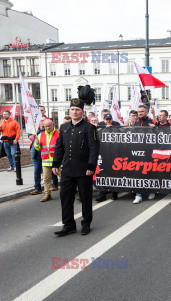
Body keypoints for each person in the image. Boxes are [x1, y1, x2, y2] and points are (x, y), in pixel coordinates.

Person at [52, 85, 100, 236]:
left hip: (84, 169)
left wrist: (91, 166)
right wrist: (55, 163)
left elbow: (94, 148)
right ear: (69, 111)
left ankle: (86, 223)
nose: (74, 112)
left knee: (85, 198)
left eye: (77, 110)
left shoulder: (89, 128)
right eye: (72, 109)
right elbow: (60, 147)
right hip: (67, 169)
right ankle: (69, 225)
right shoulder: (64, 126)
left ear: (82, 112)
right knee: (65, 198)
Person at [34, 119, 60, 202]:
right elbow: (38, 148)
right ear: (43, 126)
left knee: (63, 177)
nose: (48, 128)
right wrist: (37, 144)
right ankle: (47, 194)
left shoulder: (59, 134)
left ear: (53, 124)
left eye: (49, 125)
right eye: (46, 126)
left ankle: (68, 191)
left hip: (57, 161)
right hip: (46, 160)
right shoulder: (40, 135)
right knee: (46, 178)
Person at [95, 114, 120, 202]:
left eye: (110, 119)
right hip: (103, 153)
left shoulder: (116, 125)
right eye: (107, 119)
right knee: (102, 173)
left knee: (114, 173)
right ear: (104, 120)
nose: (108, 121)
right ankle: (103, 194)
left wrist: (112, 128)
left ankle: (114, 193)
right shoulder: (100, 126)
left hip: (114, 154)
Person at [29, 117, 45, 195]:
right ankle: (37, 188)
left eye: (43, 120)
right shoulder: (36, 130)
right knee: (37, 171)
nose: (41, 122)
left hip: (44, 155)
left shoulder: (47, 131)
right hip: (36, 155)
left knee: (46, 173)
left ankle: (52, 185)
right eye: (41, 121)